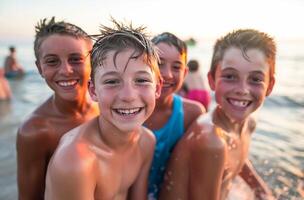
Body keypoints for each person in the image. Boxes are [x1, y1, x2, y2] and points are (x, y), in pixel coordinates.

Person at [44, 20, 162, 200]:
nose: (128, 96)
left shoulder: (146, 141)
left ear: (157, 88)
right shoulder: (74, 161)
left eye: (142, 80)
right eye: (112, 81)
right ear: (93, 90)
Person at [159, 29, 276, 200]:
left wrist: (262, 190)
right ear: (212, 80)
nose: (242, 90)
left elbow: (237, 158)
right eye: (230, 76)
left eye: (256, 79)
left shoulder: (248, 124)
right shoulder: (211, 141)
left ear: (270, 85)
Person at [16, 17, 99, 200]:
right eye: (52, 61)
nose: (66, 70)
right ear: (39, 68)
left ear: (92, 61)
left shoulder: (105, 108)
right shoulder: (35, 130)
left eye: (76, 59)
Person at [145, 32, 205, 199]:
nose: (167, 74)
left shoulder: (192, 113)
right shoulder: (128, 110)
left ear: (185, 73)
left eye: (176, 67)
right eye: (159, 64)